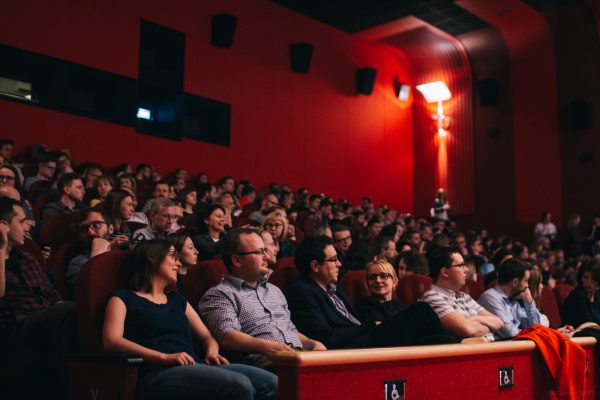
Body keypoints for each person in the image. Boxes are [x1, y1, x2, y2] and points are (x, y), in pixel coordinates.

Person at [103, 239, 277, 400]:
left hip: (194, 365)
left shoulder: (177, 300)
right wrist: (163, 357)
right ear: (152, 258)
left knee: (274, 384)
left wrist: (211, 351)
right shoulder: (123, 298)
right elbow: (111, 341)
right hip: (156, 371)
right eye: (173, 256)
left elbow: (206, 337)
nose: (178, 264)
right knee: (239, 384)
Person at [285, 235, 453, 350]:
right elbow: (326, 337)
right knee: (420, 310)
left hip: (364, 336)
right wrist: (370, 326)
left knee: (435, 340)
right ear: (315, 266)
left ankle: (454, 361)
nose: (339, 264)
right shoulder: (301, 291)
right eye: (334, 259)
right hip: (350, 347)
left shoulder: (335, 288)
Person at [198, 228, 325, 368]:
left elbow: (290, 330)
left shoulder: (274, 290)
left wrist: (311, 343)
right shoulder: (220, 294)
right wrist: (269, 347)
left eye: (265, 250)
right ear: (237, 260)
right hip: (263, 362)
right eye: (259, 252)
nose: (267, 257)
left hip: (297, 356)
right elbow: (228, 336)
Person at [0, 198, 76, 393]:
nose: (28, 227)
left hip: (41, 317)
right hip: (12, 325)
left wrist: (59, 305)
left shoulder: (27, 257)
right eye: (21, 221)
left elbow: (50, 291)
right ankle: (69, 390)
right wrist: (1, 249)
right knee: (69, 311)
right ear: (3, 225)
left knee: (74, 312)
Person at [419, 246, 503, 341]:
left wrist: (475, 318)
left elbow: (499, 323)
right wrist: (489, 327)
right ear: (445, 272)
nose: (466, 269)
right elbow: (468, 330)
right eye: (461, 265)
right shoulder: (432, 298)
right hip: (471, 349)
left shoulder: (464, 296)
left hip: (490, 345)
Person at [477, 259, 542, 339]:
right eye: (525, 281)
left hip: (516, 344)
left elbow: (537, 328)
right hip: (499, 345)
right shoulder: (490, 298)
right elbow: (510, 334)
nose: (527, 285)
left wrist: (530, 303)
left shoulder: (514, 300)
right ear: (515, 282)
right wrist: (530, 333)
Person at [65, 210, 117, 295]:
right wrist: (96, 257)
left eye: (96, 225)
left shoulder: (123, 253)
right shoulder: (77, 263)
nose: (90, 232)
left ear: (111, 228)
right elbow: (89, 295)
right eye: (84, 229)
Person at [356, 259, 405, 324]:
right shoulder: (364, 308)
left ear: (394, 281)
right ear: (367, 284)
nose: (378, 280)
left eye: (383, 276)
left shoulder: (400, 306)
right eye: (372, 277)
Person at [562, 258, 600, 327]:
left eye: (594, 279)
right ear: (580, 277)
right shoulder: (578, 296)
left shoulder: (597, 295)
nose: (589, 283)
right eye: (586, 277)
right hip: (575, 332)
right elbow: (589, 324)